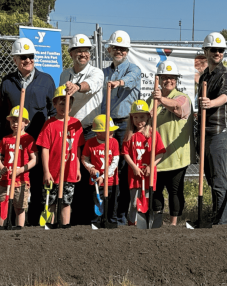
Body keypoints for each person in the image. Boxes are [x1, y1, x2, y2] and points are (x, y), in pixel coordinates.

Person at [0, 37, 56, 226]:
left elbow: (53, 112)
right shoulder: (7, 82)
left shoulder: (46, 80)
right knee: (13, 185)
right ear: (14, 59)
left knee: (37, 181)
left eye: (30, 56)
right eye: (23, 57)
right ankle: (14, 222)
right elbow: (1, 114)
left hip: (38, 143)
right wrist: (0, 141)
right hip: (13, 145)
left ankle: (35, 223)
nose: (28, 60)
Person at [60, 34, 104, 225]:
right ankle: (75, 217)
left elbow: (90, 86)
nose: (83, 54)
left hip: (92, 130)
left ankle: (92, 218)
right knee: (72, 171)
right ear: (71, 53)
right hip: (71, 130)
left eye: (86, 51)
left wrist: (77, 86)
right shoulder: (64, 74)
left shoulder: (97, 72)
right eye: (78, 51)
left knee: (92, 173)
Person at [146, 60, 196, 226]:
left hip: (176, 155)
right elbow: (145, 121)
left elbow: (178, 108)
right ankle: (158, 221)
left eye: (172, 78)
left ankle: (174, 223)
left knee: (175, 190)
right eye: (165, 77)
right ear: (159, 79)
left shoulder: (183, 97)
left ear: (177, 80)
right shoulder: (151, 99)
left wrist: (161, 100)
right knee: (156, 189)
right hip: (157, 155)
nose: (169, 80)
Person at [101, 30, 141, 226]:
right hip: (107, 126)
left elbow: (130, 80)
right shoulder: (103, 72)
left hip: (125, 124)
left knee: (124, 169)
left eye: (123, 49)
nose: (119, 51)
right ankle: (107, 212)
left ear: (127, 51)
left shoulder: (134, 69)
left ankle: (121, 215)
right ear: (109, 49)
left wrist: (118, 82)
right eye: (116, 48)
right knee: (107, 168)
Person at [197, 33, 227, 225]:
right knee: (211, 179)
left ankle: (222, 222)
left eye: (221, 50)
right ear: (206, 51)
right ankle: (215, 215)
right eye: (214, 49)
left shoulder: (226, 74)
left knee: (219, 179)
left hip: (219, 132)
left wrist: (211, 103)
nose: (218, 53)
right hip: (204, 132)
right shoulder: (204, 76)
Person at [36, 86, 85, 227]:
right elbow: (44, 149)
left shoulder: (76, 124)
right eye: (61, 103)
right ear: (55, 104)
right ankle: (48, 227)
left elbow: (77, 148)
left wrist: (77, 168)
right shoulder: (49, 124)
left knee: (66, 202)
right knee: (50, 202)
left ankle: (65, 227)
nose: (65, 106)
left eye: (68, 103)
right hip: (53, 172)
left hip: (69, 171)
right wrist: (46, 171)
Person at [122, 100, 166, 226]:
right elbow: (125, 153)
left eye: (142, 116)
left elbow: (160, 153)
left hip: (148, 175)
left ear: (148, 116)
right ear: (131, 118)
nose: (138, 120)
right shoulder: (130, 135)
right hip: (135, 175)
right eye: (135, 117)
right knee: (134, 202)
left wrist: (151, 166)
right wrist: (134, 167)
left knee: (147, 200)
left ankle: (146, 223)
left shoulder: (153, 134)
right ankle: (132, 223)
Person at [0, 106, 37, 227]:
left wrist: (20, 170)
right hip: (6, 180)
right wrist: (1, 167)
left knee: (20, 208)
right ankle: (0, 228)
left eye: (18, 120)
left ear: (25, 122)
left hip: (21, 180)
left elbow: (34, 159)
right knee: (3, 206)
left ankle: (20, 229)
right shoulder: (5, 139)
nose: (15, 123)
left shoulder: (28, 139)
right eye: (13, 120)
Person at [81, 114, 120, 225]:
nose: (112, 132)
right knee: (96, 204)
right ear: (98, 132)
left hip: (111, 181)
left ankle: (111, 223)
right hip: (96, 182)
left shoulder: (114, 142)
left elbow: (114, 162)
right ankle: (96, 223)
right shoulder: (90, 143)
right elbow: (84, 158)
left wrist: (104, 176)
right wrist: (91, 168)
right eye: (109, 131)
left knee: (112, 204)